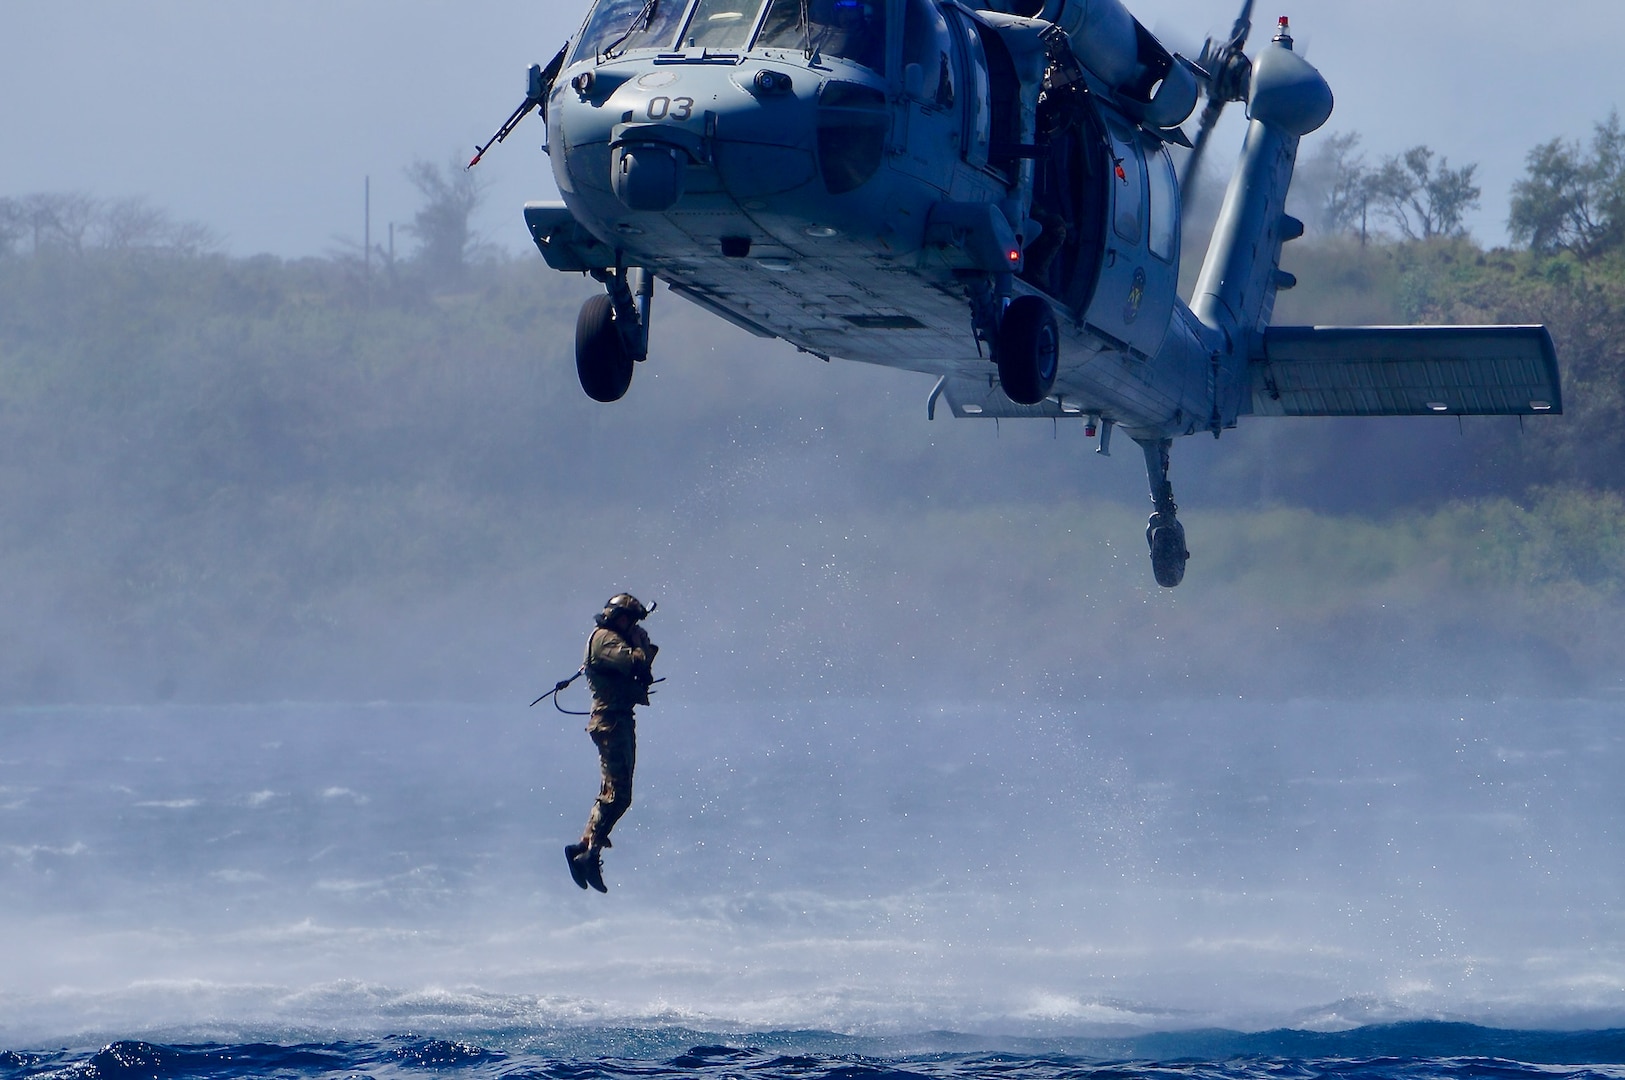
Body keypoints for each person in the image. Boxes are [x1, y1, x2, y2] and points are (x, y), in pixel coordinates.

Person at [566, 593, 658, 892]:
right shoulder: (605, 639)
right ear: (620, 618)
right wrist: (640, 643)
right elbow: (634, 661)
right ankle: (589, 854)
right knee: (618, 794)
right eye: (630, 621)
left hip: (619, 719)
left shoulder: (616, 638)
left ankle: (584, 848)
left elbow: (642, 672)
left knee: (615, 791)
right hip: (610, 721)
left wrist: (640, 645)